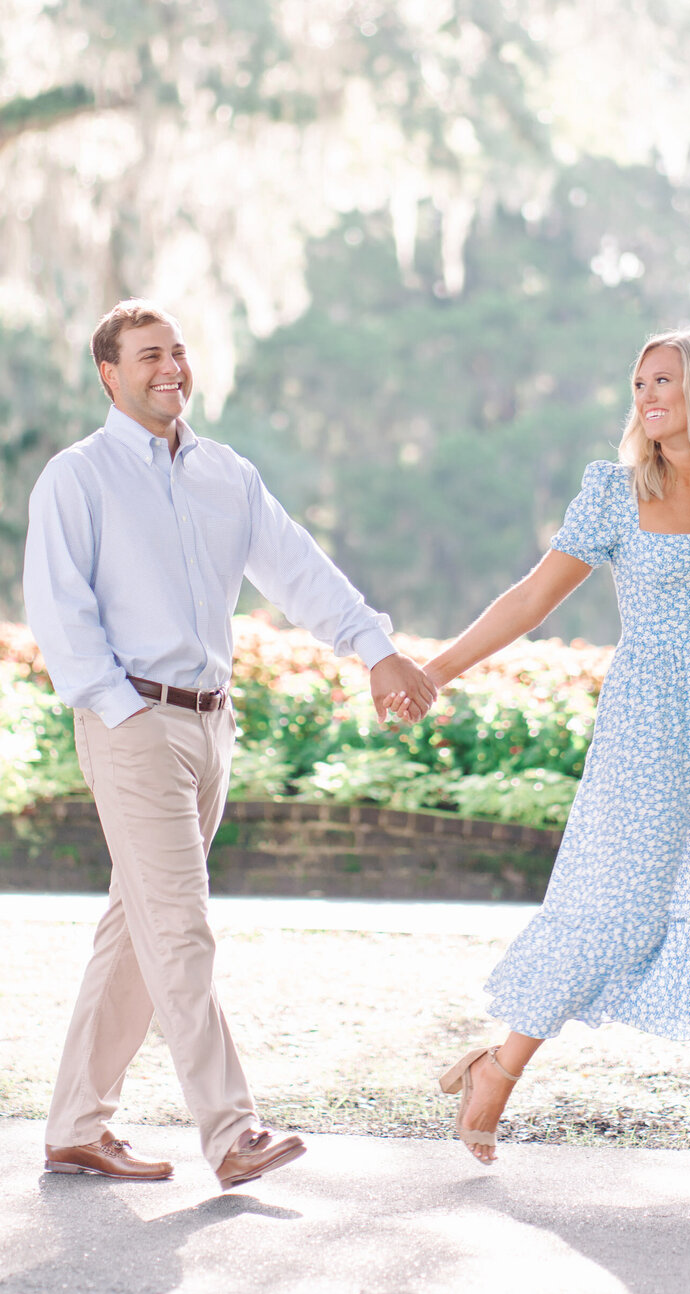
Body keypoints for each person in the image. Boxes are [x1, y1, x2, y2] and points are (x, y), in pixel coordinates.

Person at [391, 330, 690, 1188]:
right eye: (638, 384)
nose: (645, 397)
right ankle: (501, 1067)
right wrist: (438, 669)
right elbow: (532, 595)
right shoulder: (616, 490)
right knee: (621, 909)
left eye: (662, 380)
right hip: (650, 718)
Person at [23, 300, 435, 1190]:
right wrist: (114, 708)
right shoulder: (78, 476)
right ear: (109, 374)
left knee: (136, 930)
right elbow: (59, 608)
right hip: (132, 720)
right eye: (147, 356)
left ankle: (75, 1126)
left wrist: (378, 650)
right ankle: (232, 1130)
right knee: (180, 929)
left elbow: (298, 570)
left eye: (177, 351)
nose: (168, 367)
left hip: (212, 724)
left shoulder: (226, 476)